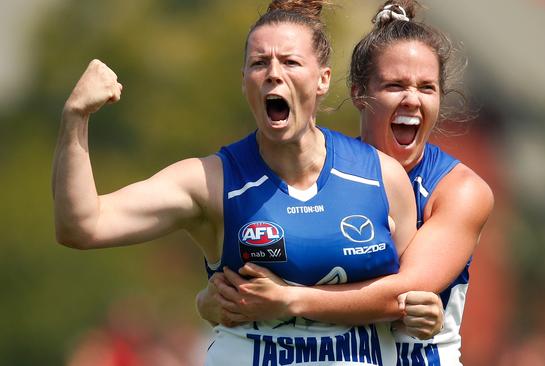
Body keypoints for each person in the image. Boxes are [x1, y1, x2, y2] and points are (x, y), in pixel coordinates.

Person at [52, 0, 424, 364]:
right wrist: (75, 118)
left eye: (291, 62)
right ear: (244, 80)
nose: (274, 74)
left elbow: (410, 303)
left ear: (323, 79)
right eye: (259, 63)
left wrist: (427, 313)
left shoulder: (382, 177)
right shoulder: (210, 181)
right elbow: (82, 226)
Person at [196, 1, 494, 365]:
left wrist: (287, 299)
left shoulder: (460, 189)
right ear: (358, 93)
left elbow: (399, 294)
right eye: (394, 85)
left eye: (427, 88)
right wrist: (215, 301)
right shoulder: (326, 171)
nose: (411, 99)